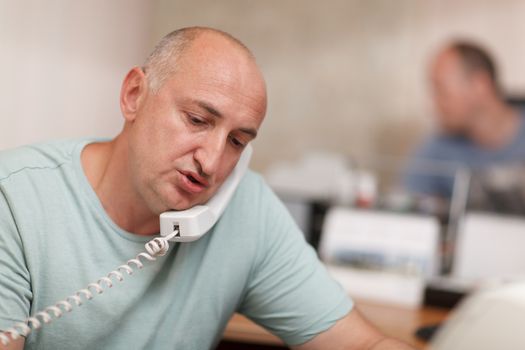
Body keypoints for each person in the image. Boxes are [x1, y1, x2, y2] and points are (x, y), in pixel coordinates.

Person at [0, 27, 412, 349]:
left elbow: (363, 342)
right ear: (134, 95)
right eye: (197, 120)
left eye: (237, 142)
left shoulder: (246, 208)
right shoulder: (15, 201)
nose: (212, 162)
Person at [405, 41, 525, 201]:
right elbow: (405, 205)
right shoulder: (438, 148)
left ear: (479, 85)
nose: (433, 106)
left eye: (441, 91)